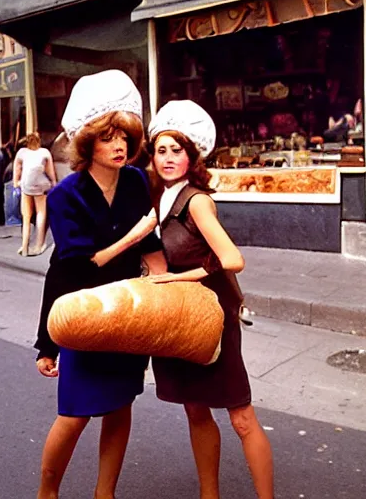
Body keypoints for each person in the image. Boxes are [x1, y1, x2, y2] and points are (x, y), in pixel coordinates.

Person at [34, 69, 165, 499]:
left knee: (120, 404)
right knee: (74, 412)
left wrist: (169, 291)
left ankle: (104, 493)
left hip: (127, 313)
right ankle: (47, 492)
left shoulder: (135, 181)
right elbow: (76, 266)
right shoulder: (63, 196)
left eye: (125, 136)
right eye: (109, 137)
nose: (120, 146)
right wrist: (47, 344)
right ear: (88, 143)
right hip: (84, 311)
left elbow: (153, 249)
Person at [145, 100, 274, 499]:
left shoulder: (197, 201)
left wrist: (173, 278)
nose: (168, 158)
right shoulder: (157, 201)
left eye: (177, 150)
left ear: (191, 155)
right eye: (161, 150)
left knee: (240, 416)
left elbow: (232, 259)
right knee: (195, 409)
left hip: (213, 317)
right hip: (178, 317)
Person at [13, 131, 56, 256]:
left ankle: (25, 246)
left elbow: (17, 169)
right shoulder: (44, 152)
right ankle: (39, 245)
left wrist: (16, 182)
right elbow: (50, 171)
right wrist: (54, 182)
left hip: (26, 185)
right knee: (41, 213)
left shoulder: (22, 153)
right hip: (40, 185)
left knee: (26, 216)